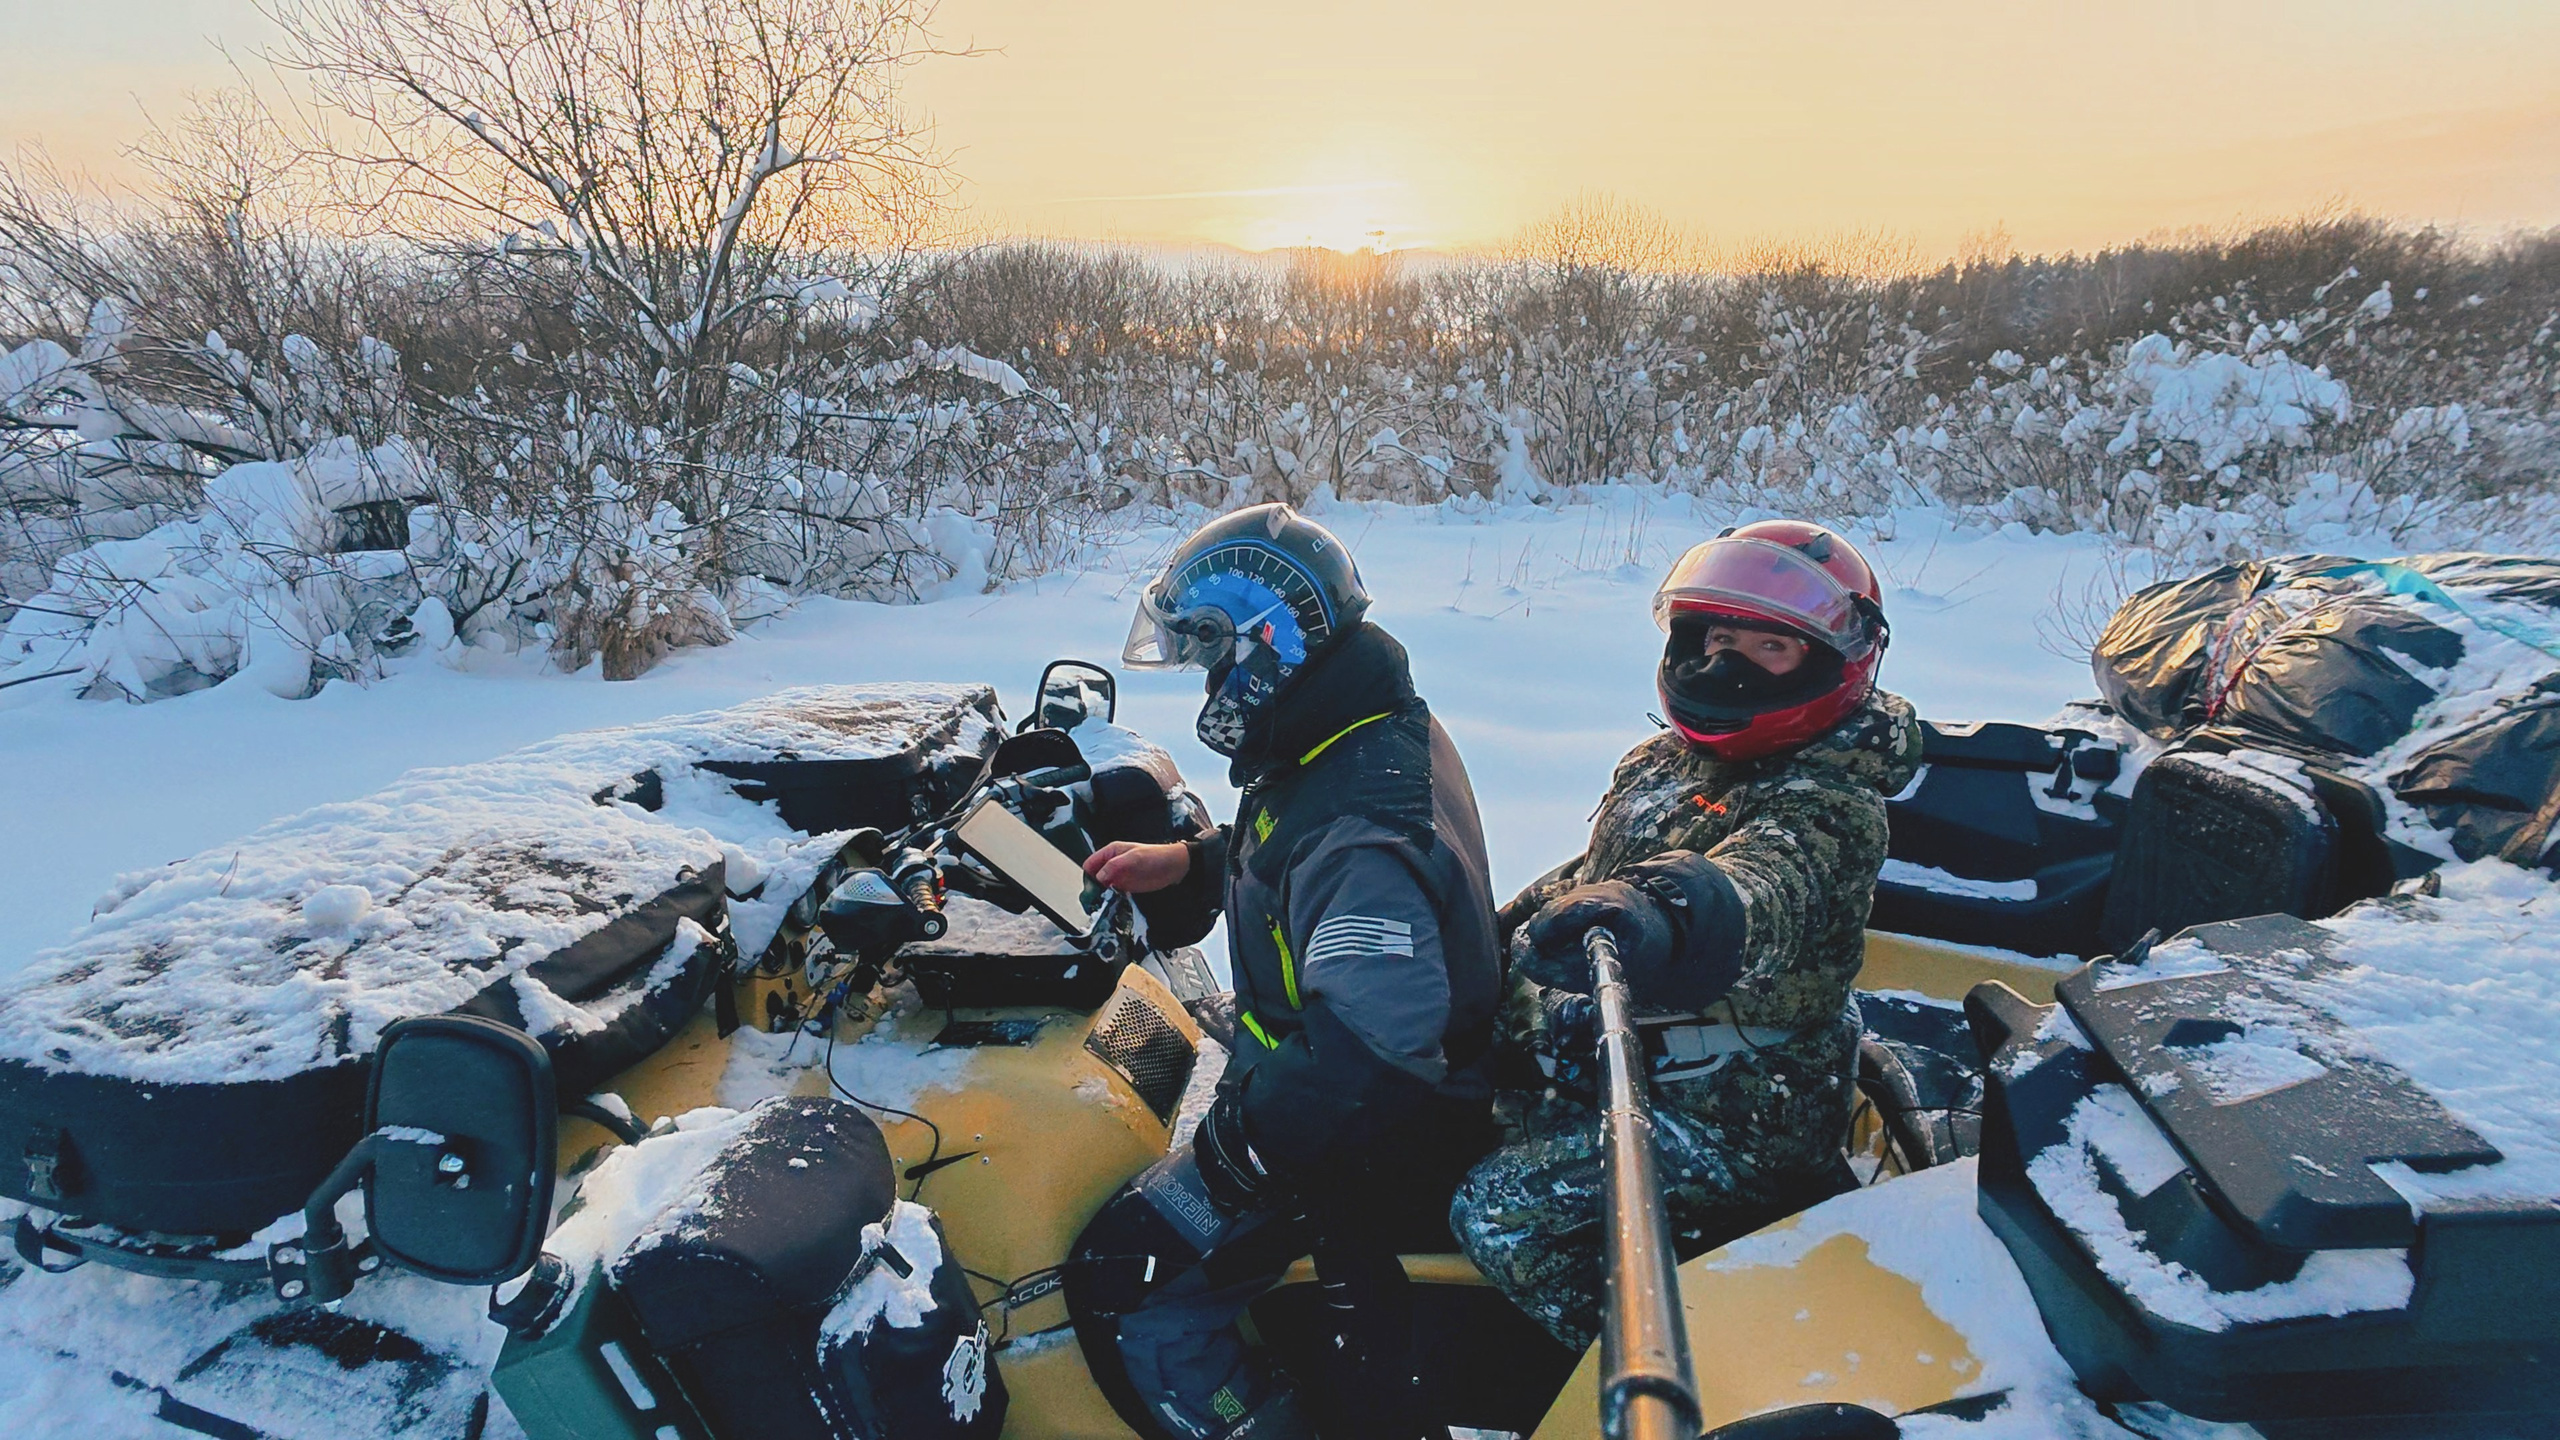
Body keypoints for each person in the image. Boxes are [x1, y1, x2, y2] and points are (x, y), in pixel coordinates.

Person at [1063, 503, 1503, 1440]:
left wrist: (1230, 1158)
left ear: (1268, 646)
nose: (1211, 680)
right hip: (1329, 1100)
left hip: (1370, 1141)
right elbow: (1303, 838)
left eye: (1214, 654)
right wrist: (1192, 862)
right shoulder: (1356, 722)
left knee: (1123, 1277)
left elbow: (1374, 1060)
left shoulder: (1360, 832)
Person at [1447, 520, 1923, 1353]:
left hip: (1736, 1111)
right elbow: (1582, 878)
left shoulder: (1832, 801)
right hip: (1621, 1061)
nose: (1724, 667)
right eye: (1716, 639)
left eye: (1768, 648)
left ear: (1830, 662)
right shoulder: (1660, 764)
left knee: (1497, 1214)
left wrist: (1664, 907)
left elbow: (1765, 882)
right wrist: (1479, 942)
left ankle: (1677, 1373)